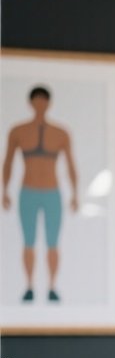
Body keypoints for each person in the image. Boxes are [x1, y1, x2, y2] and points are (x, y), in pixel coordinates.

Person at [2, 85, 79, 303]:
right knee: (29, 241)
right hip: (28, 192)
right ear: (31, 103)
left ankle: (52, 286)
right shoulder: (18, 131)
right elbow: (7, 162)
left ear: (48, 103)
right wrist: (4, 191)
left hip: (52, 193)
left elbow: (71, 165)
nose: (40, 105)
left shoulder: (60, 133)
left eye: (43, 101)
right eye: (36, 100)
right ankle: (29, 286)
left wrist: (75, 194)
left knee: (52, 242)